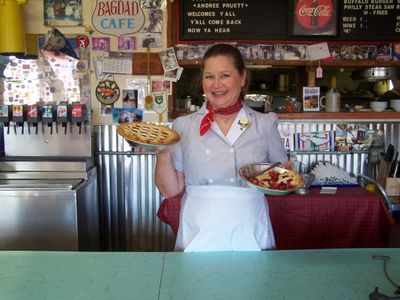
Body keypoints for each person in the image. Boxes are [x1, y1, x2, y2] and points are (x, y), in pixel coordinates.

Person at [155, 43, 289, 252]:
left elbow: (282, 174)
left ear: (242, 78)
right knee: (196, 283)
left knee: (253, 283)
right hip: (199, 228)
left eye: (225, 75)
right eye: (209, 77)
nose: (216, 85)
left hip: (250, 227)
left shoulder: (264, 123)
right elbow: (170, 190)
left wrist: (283, 175)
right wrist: (162, 153)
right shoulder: (184, 126)